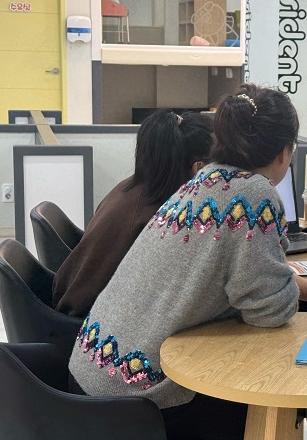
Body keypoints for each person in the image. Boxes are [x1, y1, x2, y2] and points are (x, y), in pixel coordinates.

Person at [68, 83, 307, 440]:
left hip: (93, 373)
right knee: (257, 409)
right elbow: (269, 311)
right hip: (136, 399)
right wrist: (292, 291)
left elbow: (241, 276)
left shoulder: (202, 180)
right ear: (284, 152)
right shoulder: (255, 194)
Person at [52, 110, 214, 318]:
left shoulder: (132, 188)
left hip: (76, 301)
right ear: (198, 168)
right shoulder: (156, 216)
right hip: (90, 321)